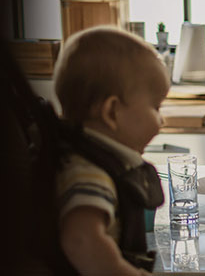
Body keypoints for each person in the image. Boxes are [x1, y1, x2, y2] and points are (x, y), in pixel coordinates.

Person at [50, 27, 171, 275]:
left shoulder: (93, 162)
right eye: (156, 107)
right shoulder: (88, 172)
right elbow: (81, 241)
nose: (162, 121)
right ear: (112, 112)